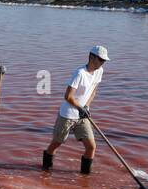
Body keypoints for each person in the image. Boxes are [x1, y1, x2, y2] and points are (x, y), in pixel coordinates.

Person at [43, 45, 108, 175]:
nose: (102, 63)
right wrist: (80, 107)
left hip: (82, 115)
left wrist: (87, 106)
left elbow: (94, 90)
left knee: (91, 147)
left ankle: (85, 176)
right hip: (67, 115)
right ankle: (45, 170)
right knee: (56, 143)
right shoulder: (80, 73)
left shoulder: (99, 71)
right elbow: (68, 96)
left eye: (104, 60)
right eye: (100, 59)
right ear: (92, 57)